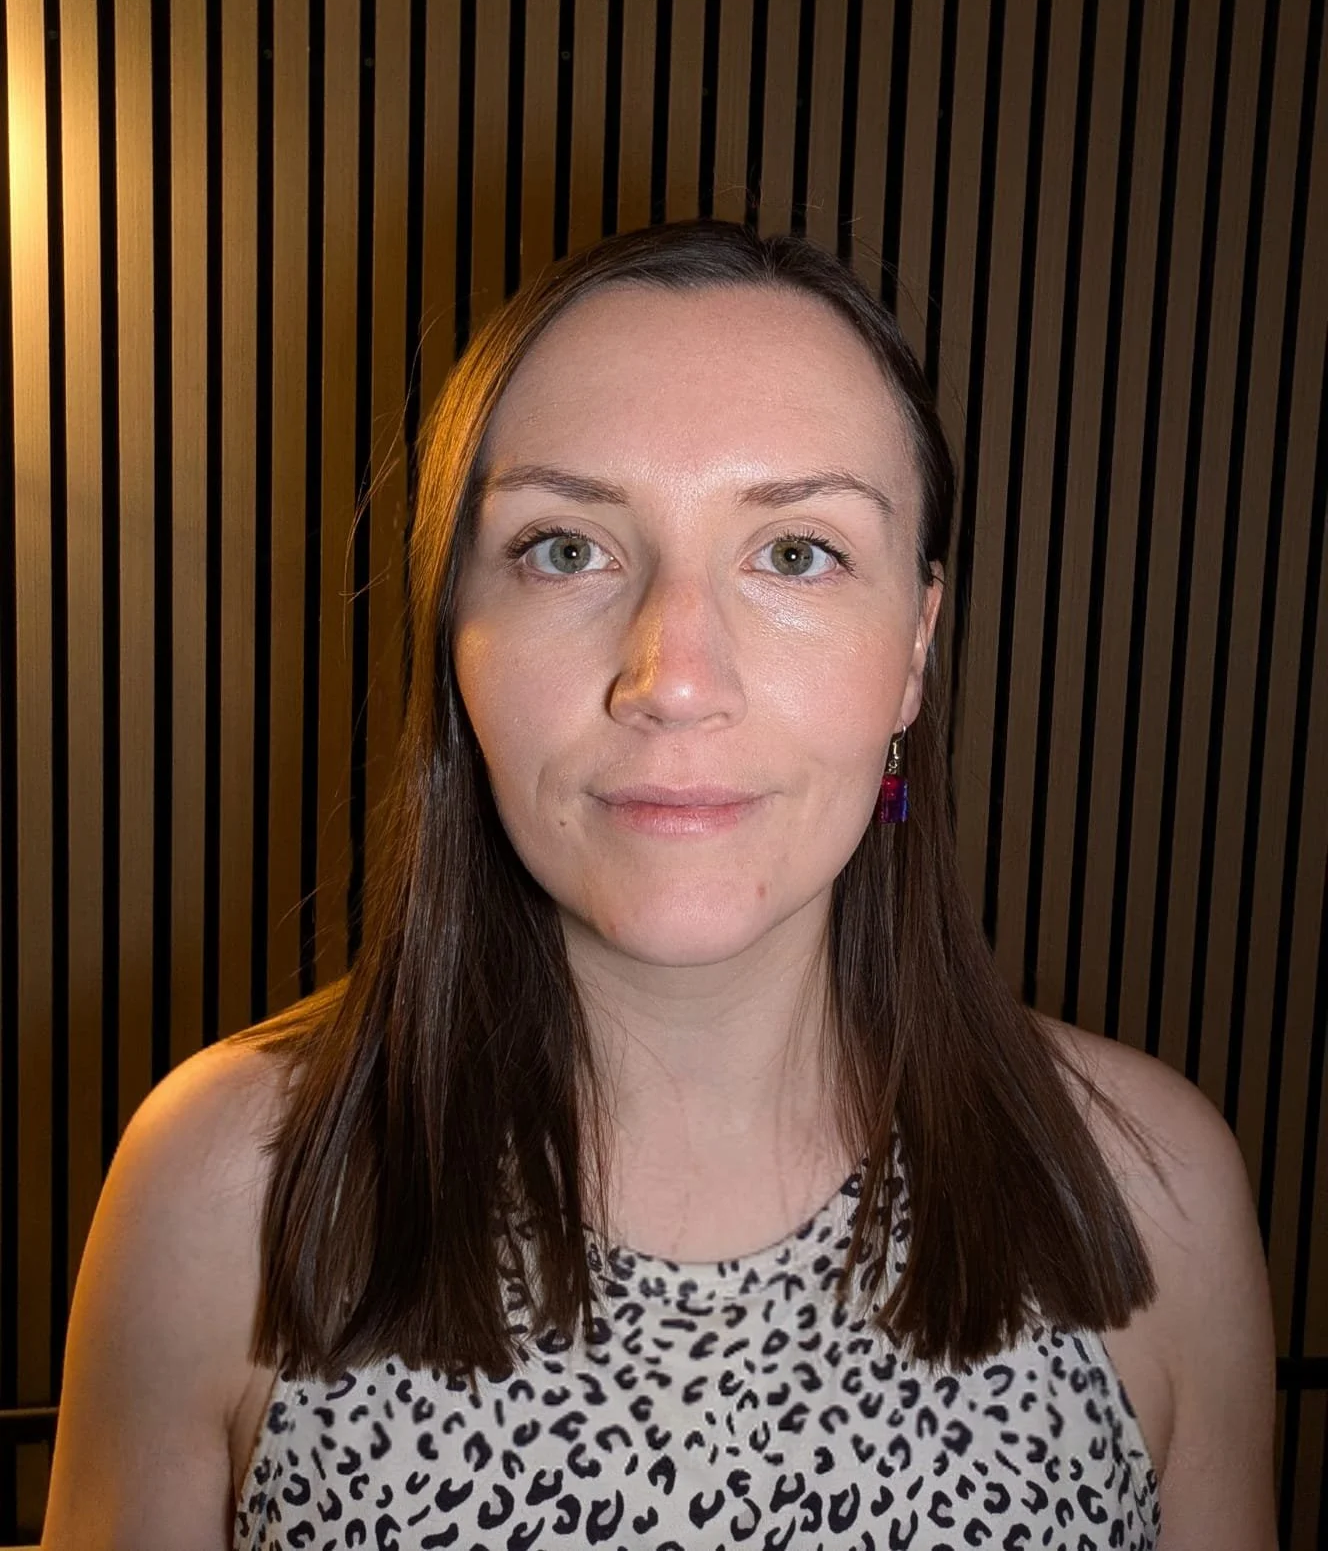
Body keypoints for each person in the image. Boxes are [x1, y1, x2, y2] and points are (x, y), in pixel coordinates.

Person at [42, 220, 1276, 1551]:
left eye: (797, 553)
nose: (675, 675)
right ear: (453, 629)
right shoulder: (226, 1194)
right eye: (566, 548)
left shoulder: (1150, 1194)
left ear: (915, 649)